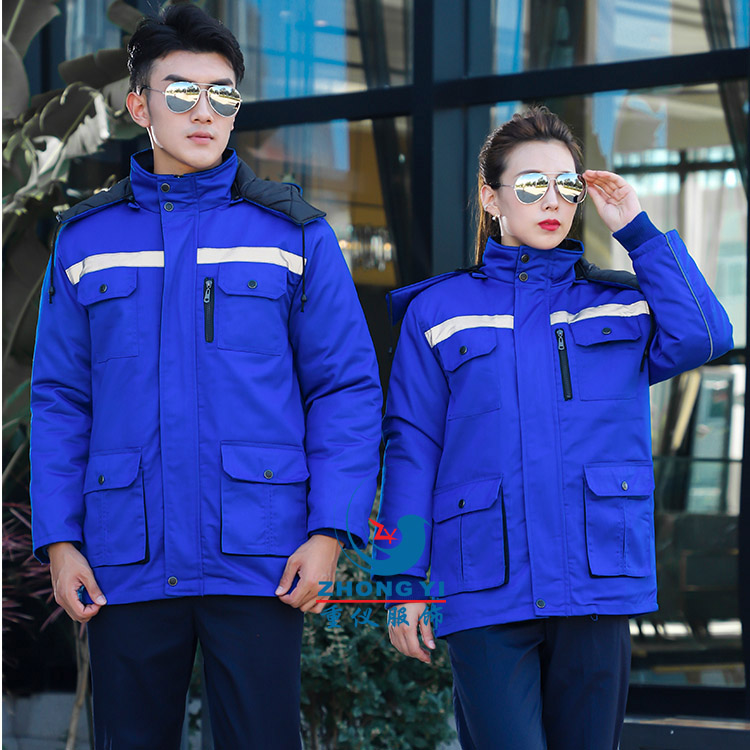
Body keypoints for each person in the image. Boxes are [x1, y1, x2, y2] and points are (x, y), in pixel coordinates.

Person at [29, 5, 381, 749]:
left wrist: (329, 530)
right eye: (182, 92)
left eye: (222, 94)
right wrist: (60, 539)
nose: (204, 111)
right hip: (126, 553)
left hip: (260, 552)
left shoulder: (294, 235)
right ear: (139, 107)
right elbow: (60, 399)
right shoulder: (87, 239)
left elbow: (344, 389)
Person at [378, 106, 733, 749]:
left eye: (567, 185)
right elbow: (413, 450)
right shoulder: (439, 310)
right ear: (491, 197)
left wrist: (638, 230)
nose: (553, 201)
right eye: (532, 184)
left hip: (596, 577)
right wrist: (401, 579)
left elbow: (705, 335)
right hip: (484, 581)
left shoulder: (620, 304)